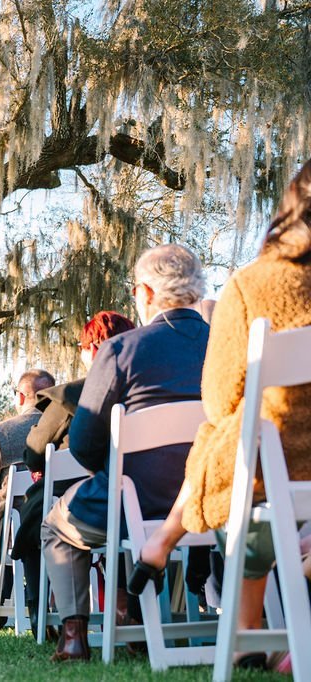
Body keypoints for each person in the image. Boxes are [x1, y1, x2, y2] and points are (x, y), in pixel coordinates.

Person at [130, 160, 311, 670]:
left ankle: (246, 628)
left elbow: (221, 400)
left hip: (278, 474)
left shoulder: (254, 285)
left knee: (228, 441)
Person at [41, 244, 209, 662]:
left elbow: (82, 444)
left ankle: (75, 635)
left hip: (140, 498)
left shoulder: (121, 350)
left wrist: (118, 471)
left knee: (55, 528)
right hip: (215, 499)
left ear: (146, 293)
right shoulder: (229, 344)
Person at [12, 312, 135, 637]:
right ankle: (126, 610)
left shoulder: (68, 397)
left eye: (81, 345)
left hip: (84, 504)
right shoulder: (145, 394)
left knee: (37, 519)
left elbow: (34, 456)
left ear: (94, 350)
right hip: (148, 503)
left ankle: (57, 620)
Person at [0, 369, 55, 627]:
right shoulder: (72, 426)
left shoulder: (1, 432)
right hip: (63, 520)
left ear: (20, 397)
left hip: (13, 523)